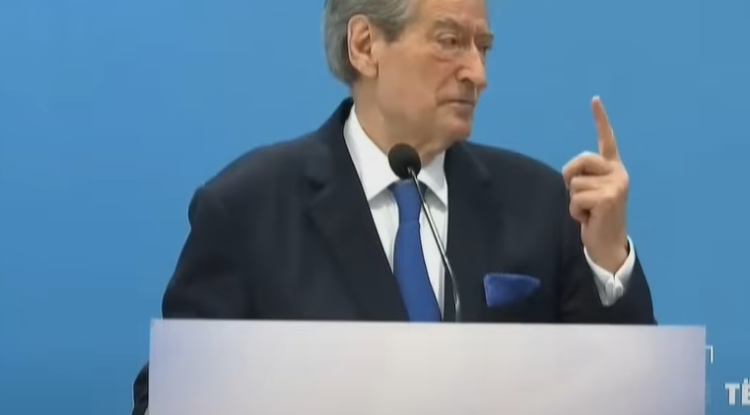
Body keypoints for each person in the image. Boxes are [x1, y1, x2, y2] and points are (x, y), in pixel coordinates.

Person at [131, 0, 656, 413]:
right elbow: (167, 401)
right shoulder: (248, 210)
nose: (478, 73)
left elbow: (627, 395)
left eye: (483, 47)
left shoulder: (541, 203)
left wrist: (607, 259)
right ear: (365, 46)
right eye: (450, 42)